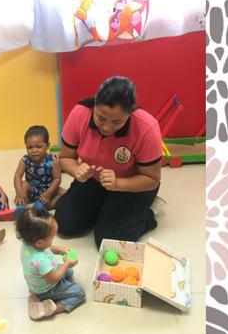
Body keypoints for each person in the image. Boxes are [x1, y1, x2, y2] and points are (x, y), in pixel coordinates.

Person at [53, 75, 162, 246]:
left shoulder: (146, 128)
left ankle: (145, 216)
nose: (106, 127)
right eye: (101, 118)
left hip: (132, 186)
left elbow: (152, 179)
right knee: (65, 224)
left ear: (130, 113)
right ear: (94, 105)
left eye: (117, 122)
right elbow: (66, 157)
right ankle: (105, 208)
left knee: (108, 240)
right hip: (94, 179)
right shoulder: (80, 113)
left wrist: (117, 183)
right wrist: (76, 170)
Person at [16, 205, 85, 320]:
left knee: (69, 272)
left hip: (39, 280)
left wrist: (61, 250)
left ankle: (35, 293)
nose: (52, 240)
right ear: (40, 242)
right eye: (51, 238)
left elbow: (48, 248)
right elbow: (52, 279)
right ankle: (49, 308)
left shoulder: (28, 244)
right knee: (79, 293)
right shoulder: (40, 260)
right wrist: (66, 264)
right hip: (48, 288)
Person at [14, 125, 63, 210]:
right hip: (31, 190)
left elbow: (57, 178)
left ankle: (44, 206)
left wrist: (48, 193)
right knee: (24, 184)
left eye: (39, 147)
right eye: (30, 147)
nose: (34, 150)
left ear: (47, 146)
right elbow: (17, 176)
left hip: (48, 191)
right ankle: (23, 204)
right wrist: (19, 192)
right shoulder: (25, 160)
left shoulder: (53, 160)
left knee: (64, 193)